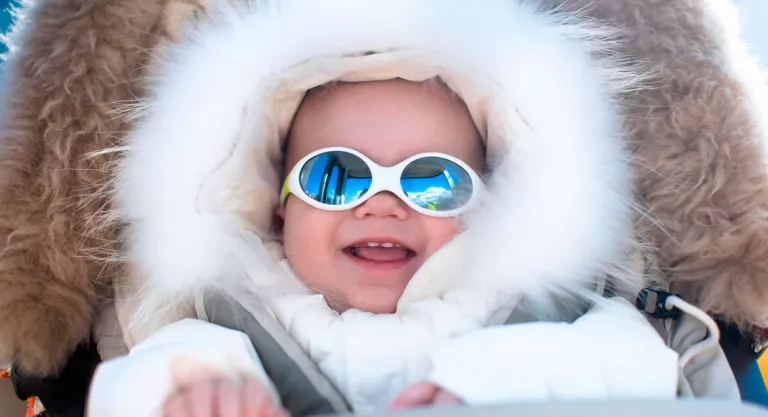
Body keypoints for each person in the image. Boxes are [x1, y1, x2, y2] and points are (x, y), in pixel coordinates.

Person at [85, 1, 716, 416]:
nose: (382, 203)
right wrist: (191, 394)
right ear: (278, 210)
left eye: (434, 181)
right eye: (336, 176)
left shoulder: (545, 314)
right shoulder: (221, 330)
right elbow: (132, 380)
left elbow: (642, 367)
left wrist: (491, 386)